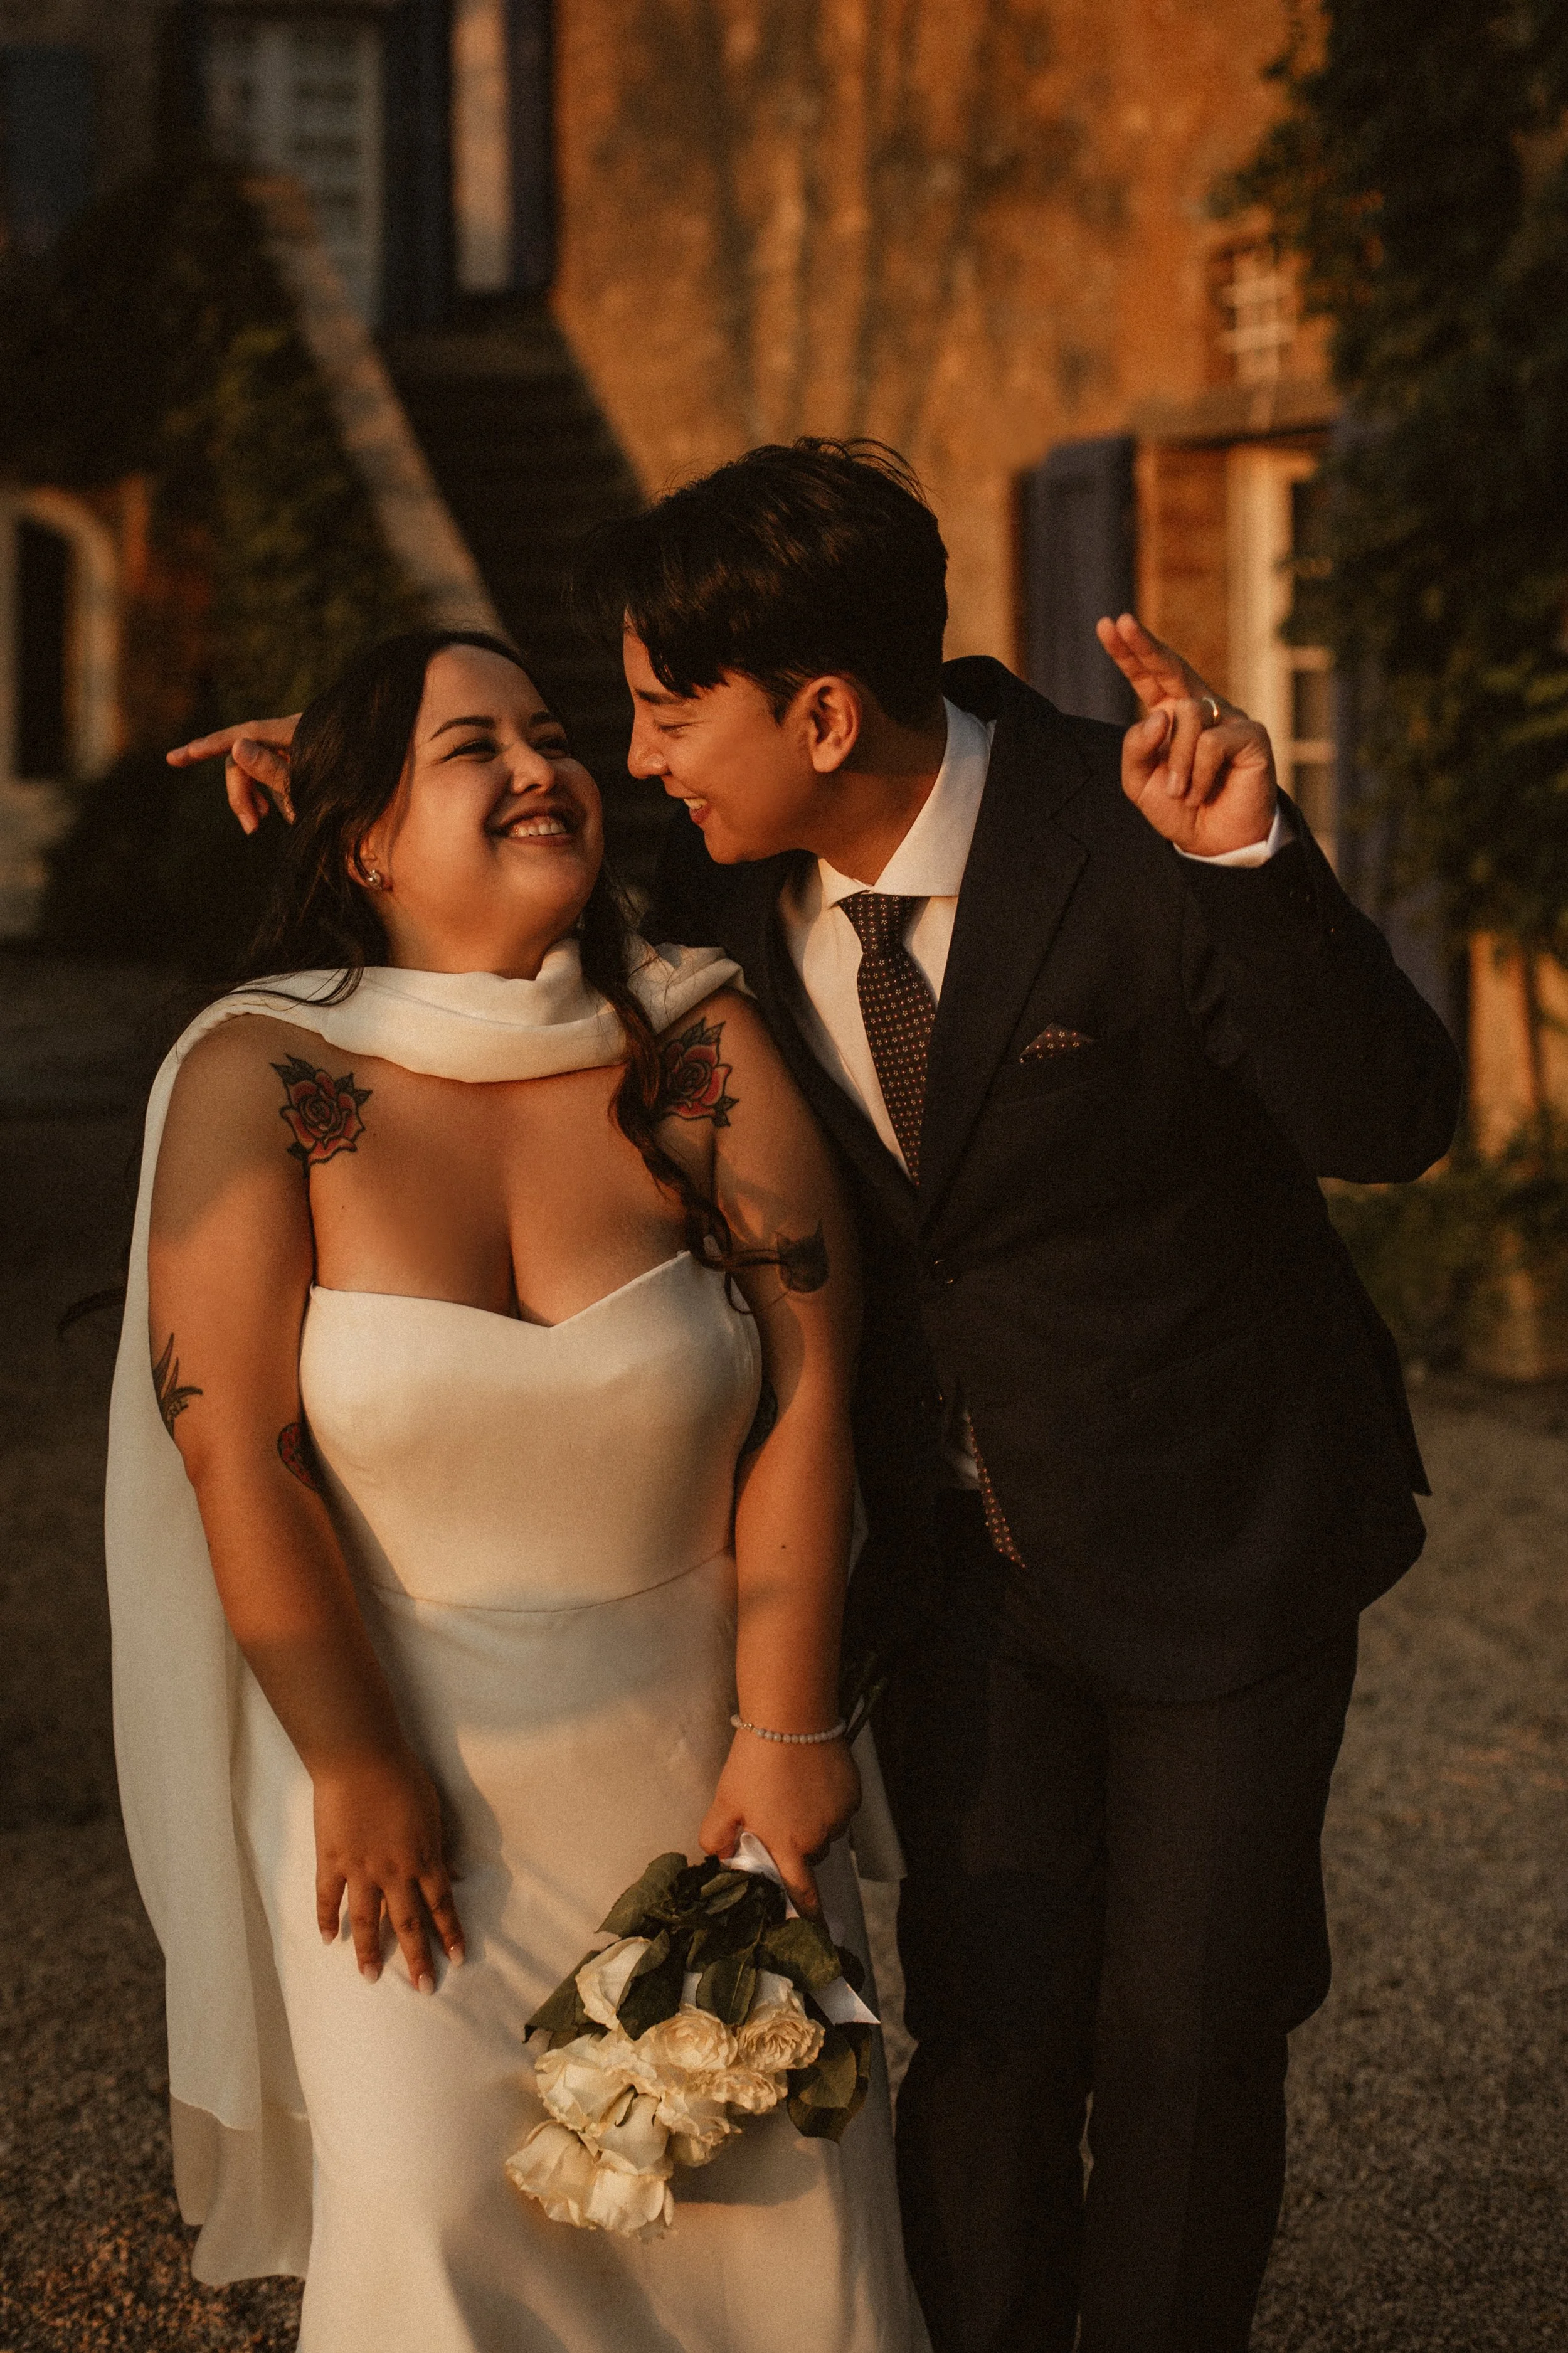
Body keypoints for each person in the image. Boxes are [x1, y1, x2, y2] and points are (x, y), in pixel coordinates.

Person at [189, 442, 1465, 2353]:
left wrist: (1248, 865)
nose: (636, 760)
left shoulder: (1134, 821)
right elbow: (507, 892)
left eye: (661, 713)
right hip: (946, 1583)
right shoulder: (719, 904)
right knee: (994, 2021)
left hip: (1222, 1535)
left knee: (1194, 2026)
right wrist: (365, 769)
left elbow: (1393, 1117)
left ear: (825, 714)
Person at [117, 628, 925, 2352]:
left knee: (770, 2236)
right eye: (470, 748)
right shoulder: (259, 1074)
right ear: (364, 841)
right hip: (391, 1765)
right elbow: (235, 1446)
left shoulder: (693, 1037)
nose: (540, 766)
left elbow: (812, 1395)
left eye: (551, 733)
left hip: (707, 1759)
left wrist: (787, 1735)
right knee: (431, 2218)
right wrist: (357, 1763)